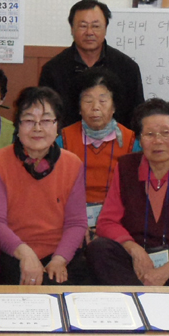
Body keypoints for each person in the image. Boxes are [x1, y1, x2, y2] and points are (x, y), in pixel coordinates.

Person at [87, 99, 169, 287]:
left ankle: (137, 294)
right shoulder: (126, 167)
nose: (158, 141)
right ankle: (137, 296)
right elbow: (106, 221)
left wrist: (166, 270)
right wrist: (134, 249)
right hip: (135, 262)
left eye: (165, 133)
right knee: (99, 249)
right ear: (139, 139)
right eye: (149, 134)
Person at [0, 86, 92, 285]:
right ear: (17, 125)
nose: (37, 128)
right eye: (29, 120)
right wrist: (25, 254)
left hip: (59, 253)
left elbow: (76, 222)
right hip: (13, 252)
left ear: (57, 126)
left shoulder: (72, 163)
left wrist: (60, 259)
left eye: (46, 120)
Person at [38, 0, 144, 129]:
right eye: (83, 26)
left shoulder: (127, 68)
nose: (89, 32)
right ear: (72, 29)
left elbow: (137, 116)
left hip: (118, 145)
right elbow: (46, 117)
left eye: (95, 26)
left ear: (105, 28)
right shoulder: (53, 69)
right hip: (66, 145)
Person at [59, 67, 136, 229]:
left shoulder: (132, 141)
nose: (95, 107)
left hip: (118, 219)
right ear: (78, 108)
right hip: (70, 218)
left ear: (114, 106)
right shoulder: (62, 139)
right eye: (88, 101)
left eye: (103, 101)